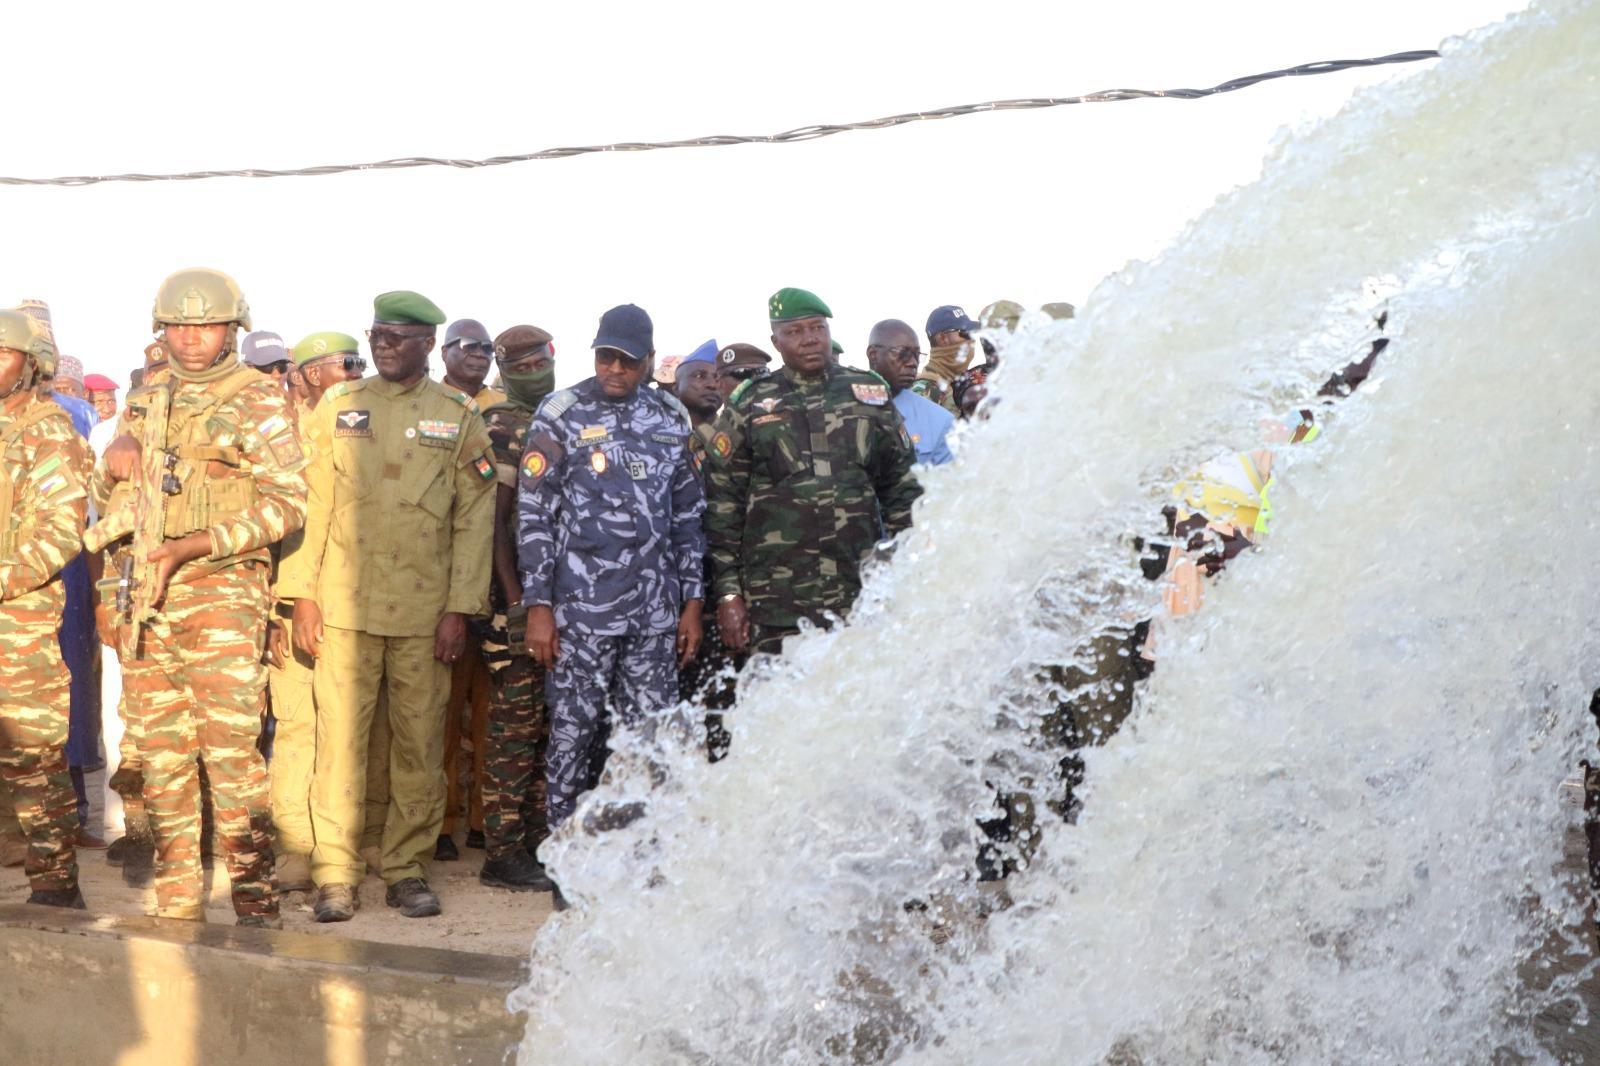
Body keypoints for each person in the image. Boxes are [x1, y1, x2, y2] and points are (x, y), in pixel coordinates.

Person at [91, 268, 306, 926]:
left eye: (205, 325)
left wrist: (197, 544)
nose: (190, 338)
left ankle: (254, 902)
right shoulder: (148, 400)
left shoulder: (260, 399)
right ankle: (177, 901)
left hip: (223, 595)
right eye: (178, 326)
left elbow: (288, 506)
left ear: (231, 330)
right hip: (147, 600)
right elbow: (121, 507)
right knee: (161, 757)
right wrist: (112, 467)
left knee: (232, 757)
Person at [282, 290, 496, 922]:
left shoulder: (456, 414)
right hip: (343, 609)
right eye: (377, 335)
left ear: (429, 344)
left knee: (420, 749)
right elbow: (312, 507)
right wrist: (301, 597)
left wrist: (459, 608)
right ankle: (337, 875)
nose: (382, 346)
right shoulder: (338, 408)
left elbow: (475, 519)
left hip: (423, 614)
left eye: (398, 337)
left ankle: (405, 870)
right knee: (339, 743)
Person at [516, 304, 705, 891]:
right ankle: (567, 870)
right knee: (572, 737)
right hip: (579, 615)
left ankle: (647, 863)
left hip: (653, 614)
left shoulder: (671, 416)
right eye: (604, 357)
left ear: (648, 361)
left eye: (625, 359)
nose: (613, 368)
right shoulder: (562, 414)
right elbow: (534, 515)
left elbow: (689, 517)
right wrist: (539, 607)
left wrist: (692, 602)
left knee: (651, 740)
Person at [705, 288, 921, 656]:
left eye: (817, 328)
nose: (809, 340)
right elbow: (722, 507)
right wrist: (728, 595)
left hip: (859, 595)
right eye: (795, 331)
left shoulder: (867, 394)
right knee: (775, 706)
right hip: (776, 603)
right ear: (776, 342)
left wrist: (911, 576)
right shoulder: (750, 404)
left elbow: (903, 492)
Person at [264, 331, 365, 894]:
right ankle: (297, 847)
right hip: (286, 602)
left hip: (345, 601)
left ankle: (345, 844)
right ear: (303, 374)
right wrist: (270, 609)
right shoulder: (276, 432)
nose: (353, 373)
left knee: (346, 728)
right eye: (341, 364)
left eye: (358, 364)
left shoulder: (357, 431)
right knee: (298, 726)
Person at [0, 308, 91, 908]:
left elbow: (61, 532)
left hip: (19, 620)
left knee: (32, 758)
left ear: (30, 363)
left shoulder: (48, 429)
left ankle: (55, 887)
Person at [476, 324, 558, 891]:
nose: (534, 369)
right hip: (515, 602)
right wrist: (515, 600)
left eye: (542, 358)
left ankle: (531, 842)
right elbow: (495, 523)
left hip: (554, 600)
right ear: (502, 369)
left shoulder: (560, 415)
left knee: (545, 726)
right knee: (514, 729)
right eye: (520, 363)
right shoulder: (499, 424)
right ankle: (502, 851)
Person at [437, 318, 503, 859]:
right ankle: (440, 825)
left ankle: (481, 819)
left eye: (487, 348)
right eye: (469, 346)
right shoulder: (426, 405)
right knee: (439, 715)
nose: (479, 354)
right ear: (445, 352)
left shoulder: (502, 408)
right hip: (440, 587)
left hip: (498, 589)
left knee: (489, 716)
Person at [865, 319, 954, 466]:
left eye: (917, 355)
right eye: (903, 354)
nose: (913, 363)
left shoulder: (940, 421)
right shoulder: (836, 405)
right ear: (873, 354)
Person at [910, 305, 982, 413]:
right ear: (943, 338)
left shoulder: (964, 383)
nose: (971, 340)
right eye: (965, 333)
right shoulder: (926, 389)